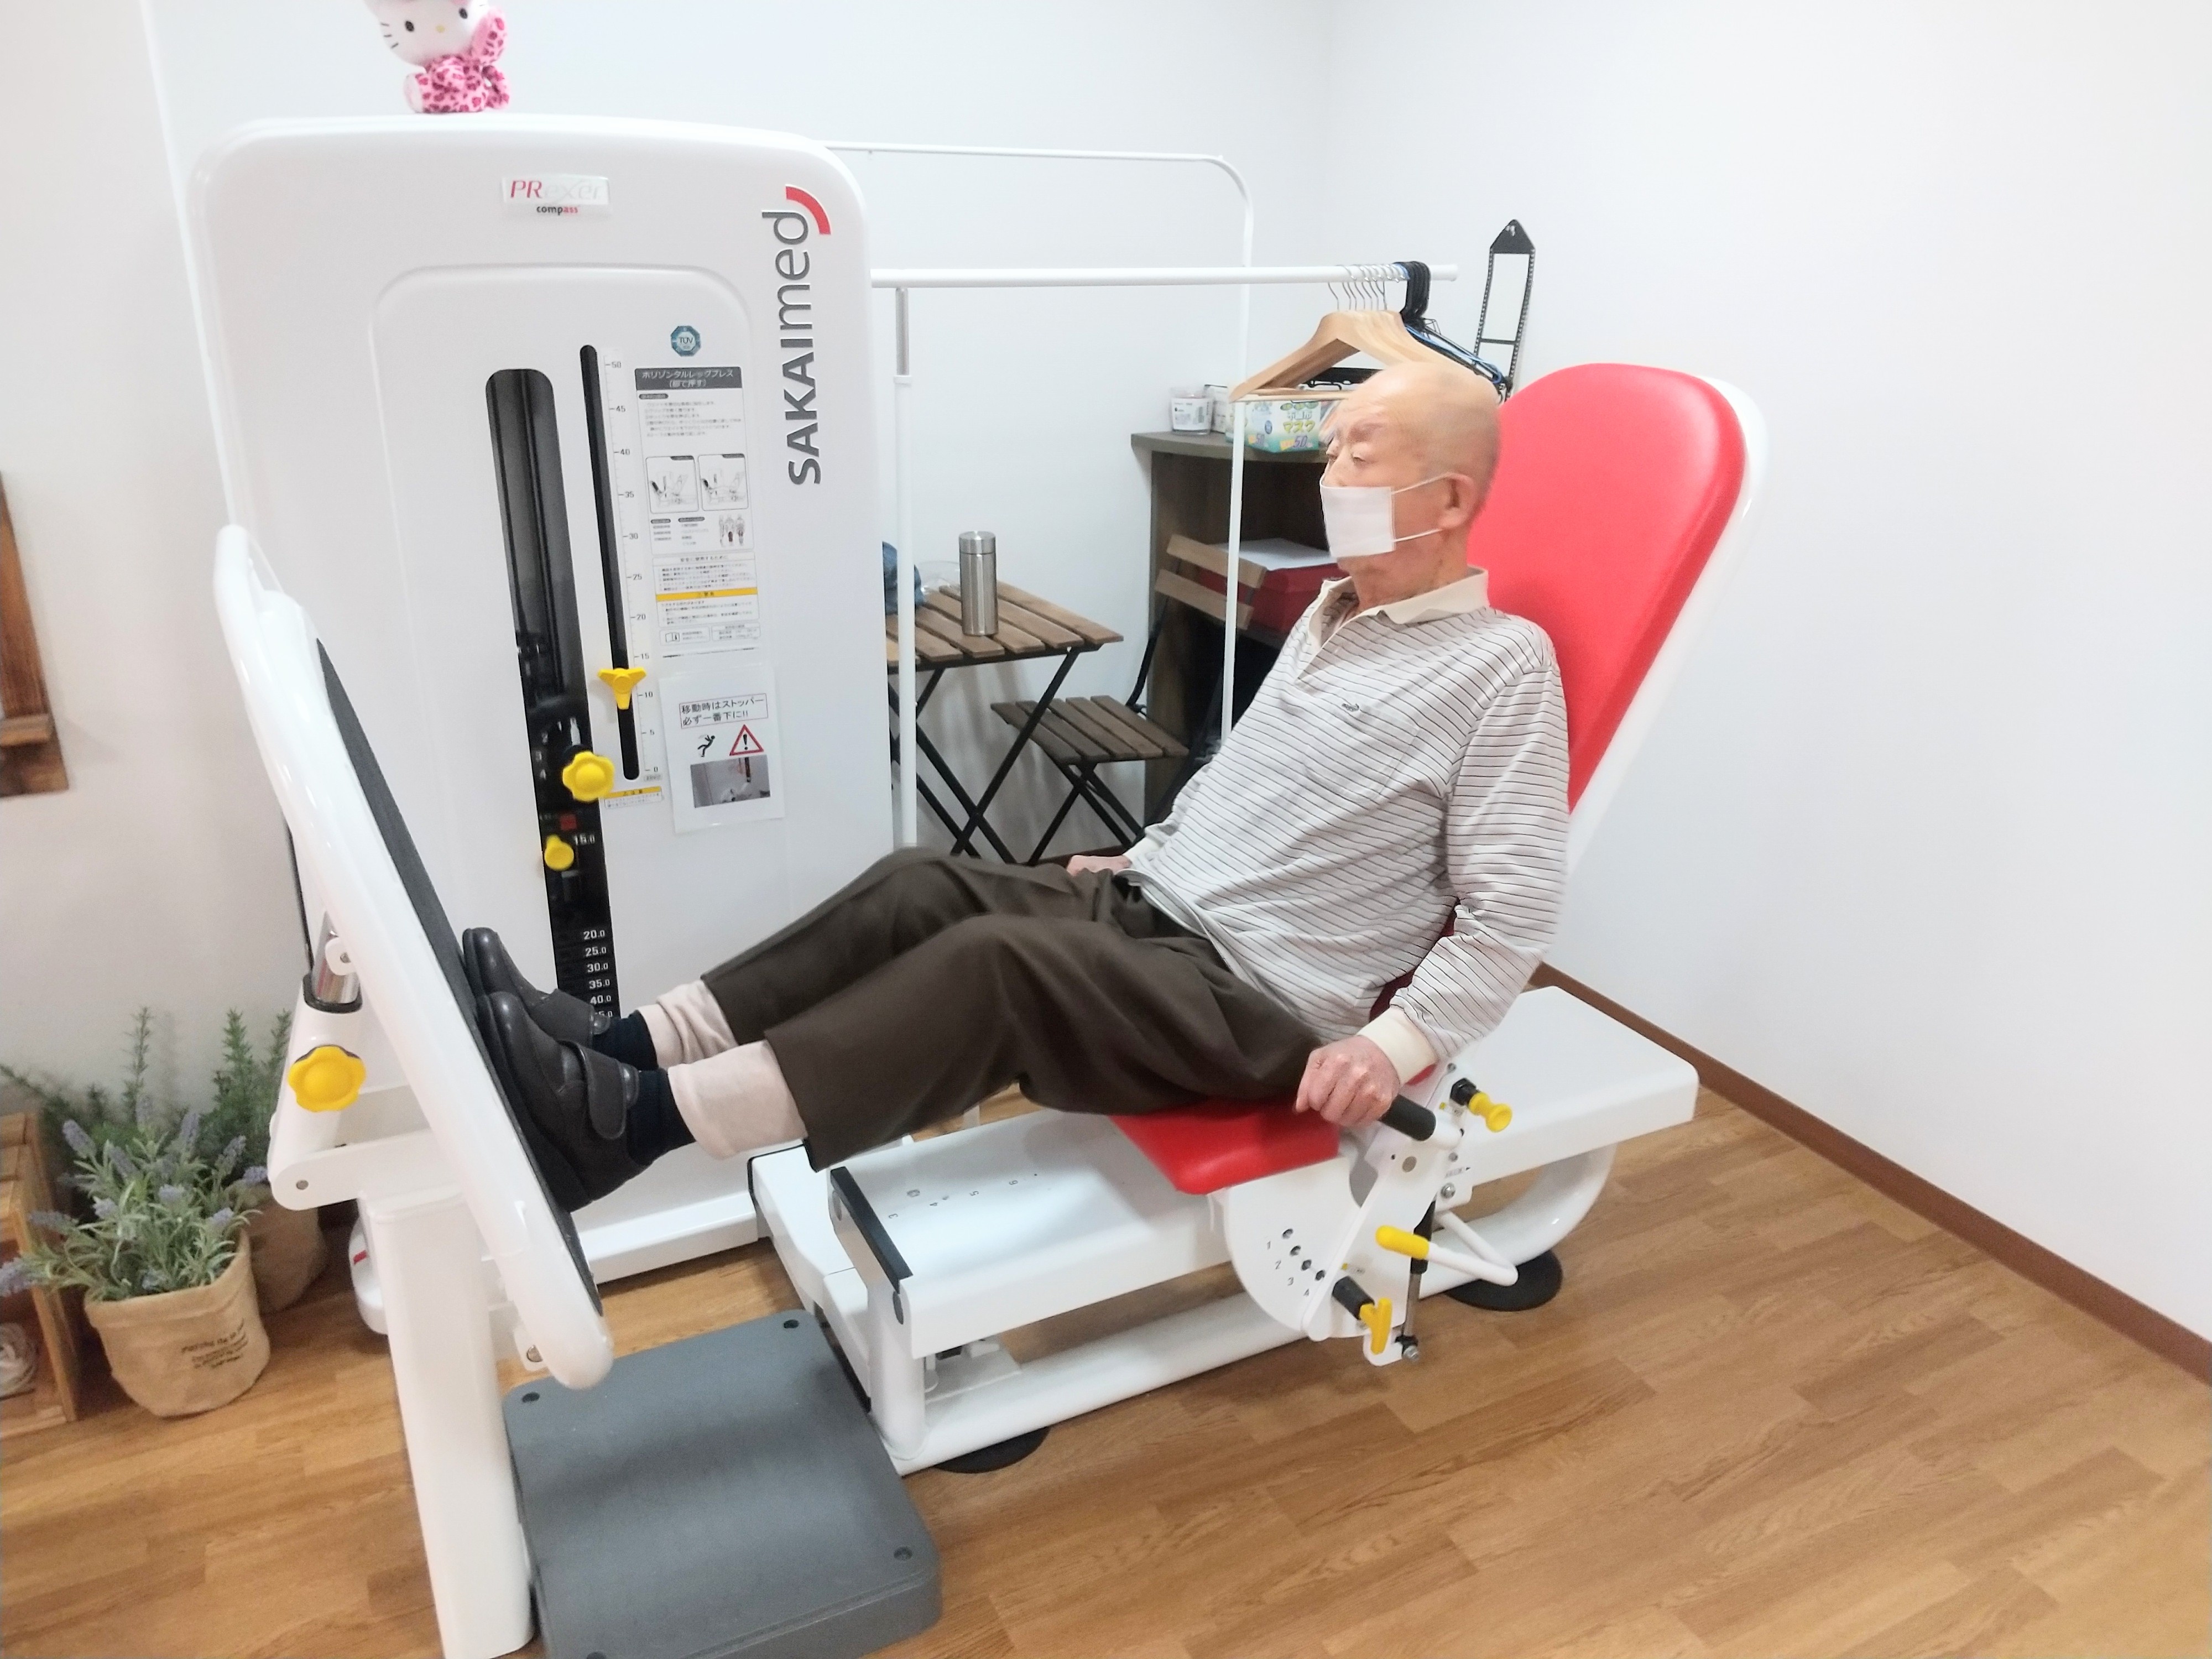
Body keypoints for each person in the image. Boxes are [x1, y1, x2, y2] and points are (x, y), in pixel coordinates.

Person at [472, 357, 1568, 1212]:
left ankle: (624, 1126)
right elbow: (1245, 782)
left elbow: (1512, 913)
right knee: (916, 884)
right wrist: (1145, 855)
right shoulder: (1332, 615)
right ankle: (612, 1050)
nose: (1331, 479)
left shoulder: (1500, 666)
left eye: (1358, 456)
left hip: (1257, 1001)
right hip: (1153, 907)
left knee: (992, 967)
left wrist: (1390, 1047)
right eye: (1329, 454)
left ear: (1448, 497)